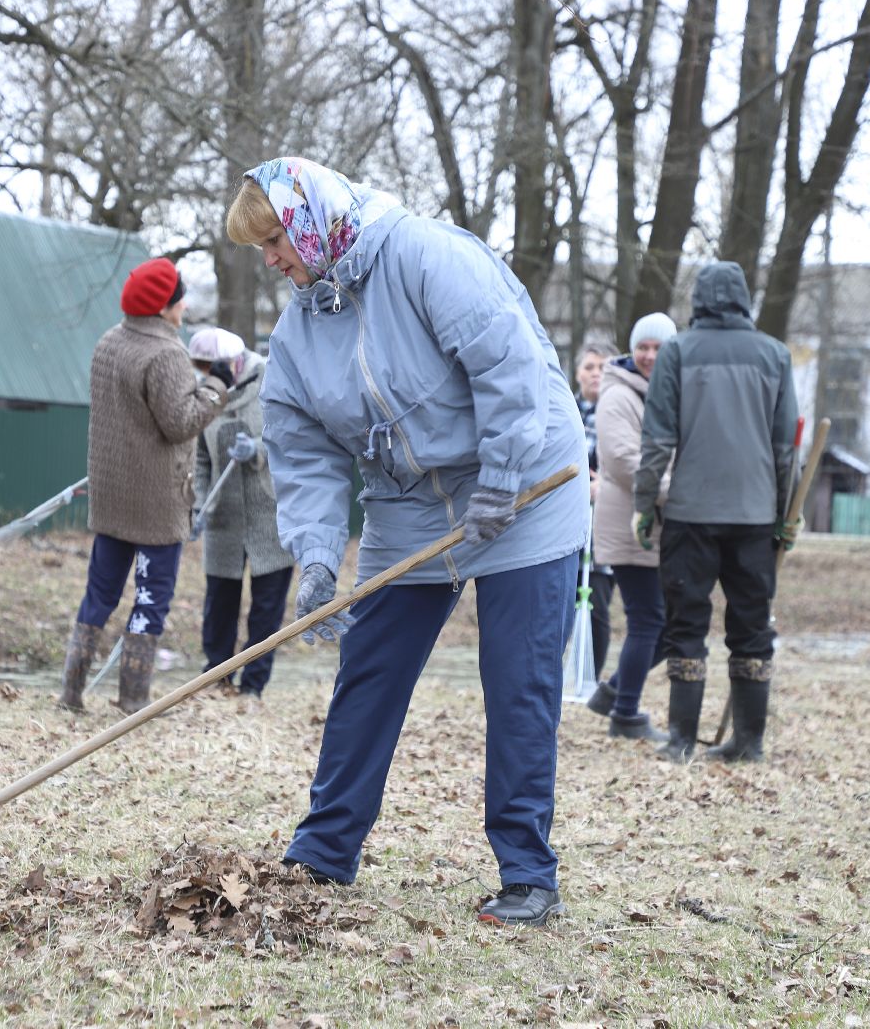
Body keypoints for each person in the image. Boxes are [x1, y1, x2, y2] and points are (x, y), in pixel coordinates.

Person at [225, 157, 588, 927]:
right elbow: (303, 452)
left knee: (517, 682)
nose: (270, 260)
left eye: (273, 240)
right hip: (409, 506)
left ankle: (527, 873)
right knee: (370, 671)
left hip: (525, 486)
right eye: (261, 250)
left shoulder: (425, 254)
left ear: (309, 219)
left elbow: (508, 365)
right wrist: (318, 555)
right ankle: (323, 852)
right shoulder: (297, 329)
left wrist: (501, 475)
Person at [633, 262, 799, 762]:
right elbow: (786, 447)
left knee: (686, 622)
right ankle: (749, 743)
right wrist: (784, 513)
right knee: (752, 625)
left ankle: (682, 739)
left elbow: (658, 439)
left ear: (699, 299)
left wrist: (644, 504)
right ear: (744, 297)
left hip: (691, 513)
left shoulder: (678, 351)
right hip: (754, 515)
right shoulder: (775, 354)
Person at [60, 258, 231, 714]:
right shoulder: (167, 353)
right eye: (179, 298)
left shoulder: (108, 343)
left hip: (112, 494)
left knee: (99, 593)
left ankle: (71, 693)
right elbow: (181, 423)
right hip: (157, 500)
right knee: (151, 598)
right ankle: (132, 698)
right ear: (163, 307)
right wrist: (217, 386)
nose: (183, 306)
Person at [584, 314, 676, 742]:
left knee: (670, 624)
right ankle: (625, 714)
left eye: (659, 348)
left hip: (659, 526)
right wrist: (680, 492)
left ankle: (615, 692)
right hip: (628, 523)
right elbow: (623, 462)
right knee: (648, 619)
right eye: (644, 347)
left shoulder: (670, 393)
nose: (650, 356)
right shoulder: (618, 394)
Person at [189, 326, 295, 699]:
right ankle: (216, 681)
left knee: (266, 607)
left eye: (214, 370)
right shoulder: (202, 392)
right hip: (223, 519)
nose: (209, 378)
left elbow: (293, 436)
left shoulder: (271, 376)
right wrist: (198, 506)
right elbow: (200, 459)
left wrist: (260, 451)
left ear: (234, 362)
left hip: (270, 515)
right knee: (219, 605)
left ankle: (253, 686)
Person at [573, 343, 618, 677]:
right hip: (568, 520)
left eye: (602, 367)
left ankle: (593, 677)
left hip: (604, 525)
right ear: (578, 372)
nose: (595, 373)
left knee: (598, 602)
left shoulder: (619, 413)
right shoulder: (565, 411)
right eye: (589, 366)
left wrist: (605, 484)